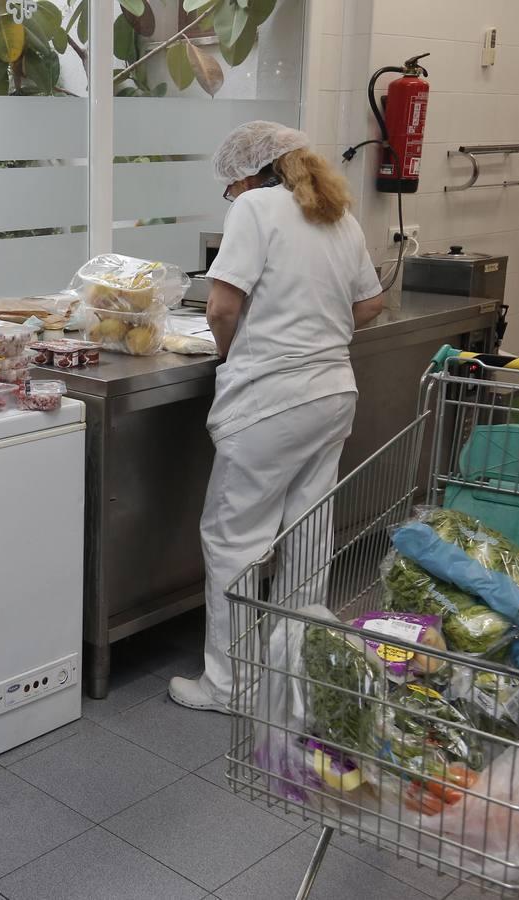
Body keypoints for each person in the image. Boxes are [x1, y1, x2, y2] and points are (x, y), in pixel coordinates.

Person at [168, 121, 384, 713]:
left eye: (230, 185)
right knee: (307, 534)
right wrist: (316, 328)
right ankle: (295, 676)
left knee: (234, 539)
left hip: (271, 398)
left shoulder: (256, 207)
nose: (231, 195)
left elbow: (221, 306)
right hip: (332, 392)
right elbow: (369, 303)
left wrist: (235, 350)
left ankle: (229, 685)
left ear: (250, 173)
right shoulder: (337, 213)